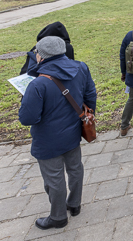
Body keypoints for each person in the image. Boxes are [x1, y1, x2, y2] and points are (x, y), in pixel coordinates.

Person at [19, 36, 97, 230]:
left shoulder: (37, 84)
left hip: (48, 140)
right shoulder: (81, 67)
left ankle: (58, 217)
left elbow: (27, 118)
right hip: (73, 132)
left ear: (40, 57)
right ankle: (74, 204)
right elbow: (90, 95)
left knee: (54, 178)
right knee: (75, 168)